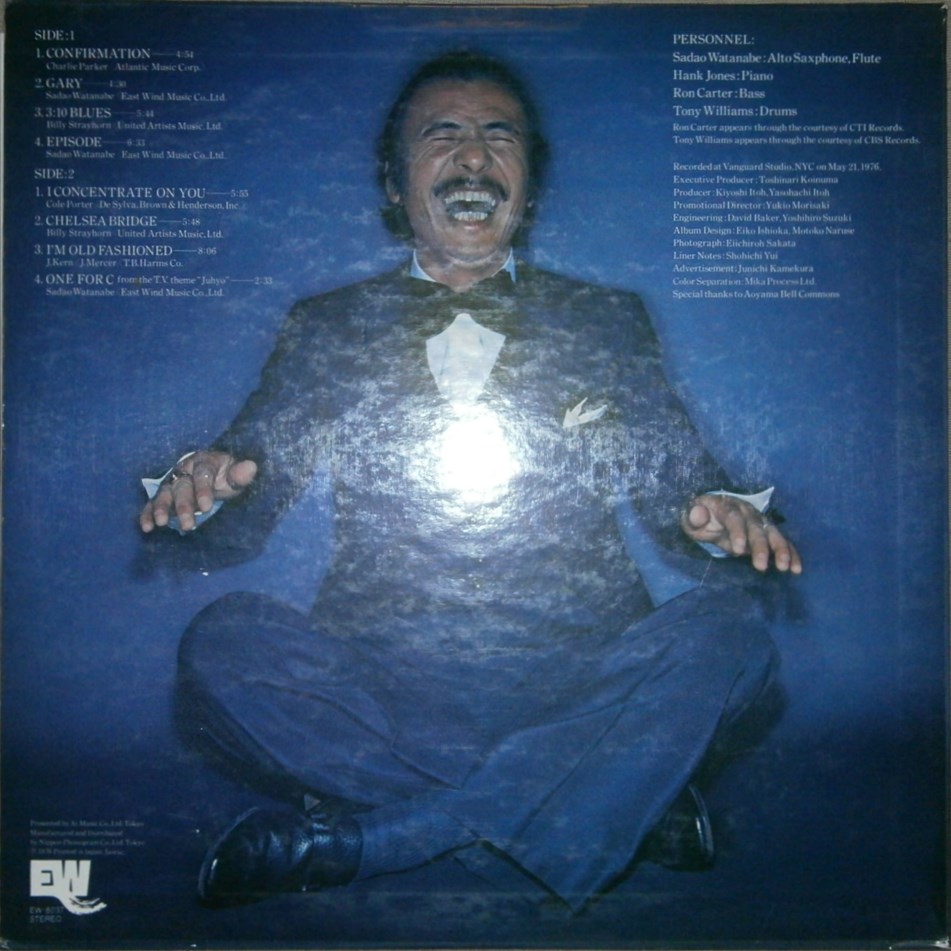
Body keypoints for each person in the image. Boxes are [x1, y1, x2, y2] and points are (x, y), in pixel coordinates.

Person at [140, 50, 802, 911]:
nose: (474, 156)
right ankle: (613, 797)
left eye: (500, 135)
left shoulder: (607, 317)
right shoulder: (325, 323)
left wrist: (715, 512)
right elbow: (247, 488)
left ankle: (375, 837)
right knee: (222, 643)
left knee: (730, 635)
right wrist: (203, 489)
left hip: (583, 677)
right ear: (393, 184)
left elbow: (677, 476)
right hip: (385, 688)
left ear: (528, 184)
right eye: (441, 134)